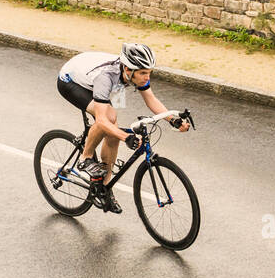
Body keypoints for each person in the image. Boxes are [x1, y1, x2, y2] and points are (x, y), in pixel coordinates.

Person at [55, 42, 188, 214]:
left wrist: (172, 119)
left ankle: (104, 189)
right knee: (109, 119)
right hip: (71, 81)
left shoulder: (130, 72)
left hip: (103, 78)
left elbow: (150, 99)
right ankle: (85, 157)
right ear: (128, 69)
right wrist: (126, 137)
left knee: (113, 132)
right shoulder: (106, 76)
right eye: (143, 73)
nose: (147, 77)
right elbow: (102, 120)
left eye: (149, 72)